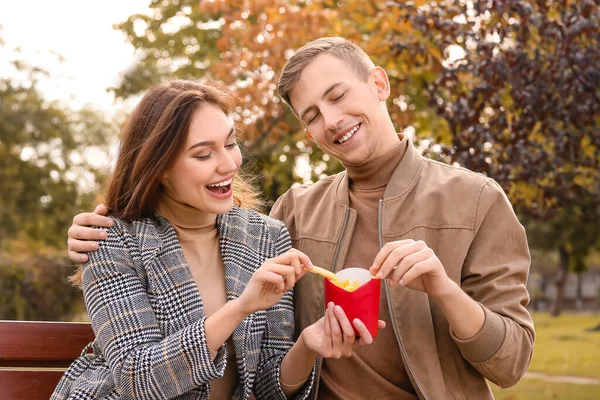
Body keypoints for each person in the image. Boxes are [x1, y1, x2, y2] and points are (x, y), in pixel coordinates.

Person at [66, 38, 535, 399]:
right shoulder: (292, 212)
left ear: (379, 84)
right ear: (307, 132)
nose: (331, 120)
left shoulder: (476, 200)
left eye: (338, 95)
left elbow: (511, 362)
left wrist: (443, 288)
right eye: (312, 114)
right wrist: (98, 230)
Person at [53, 80, 384, 400]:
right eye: (202, 155)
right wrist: (240, 308)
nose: (229, 164)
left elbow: (269, 386)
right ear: (160, 168)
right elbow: (136, 380)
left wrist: (309, 345)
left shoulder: (265, 237)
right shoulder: (113, 241)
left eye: (229, 143)